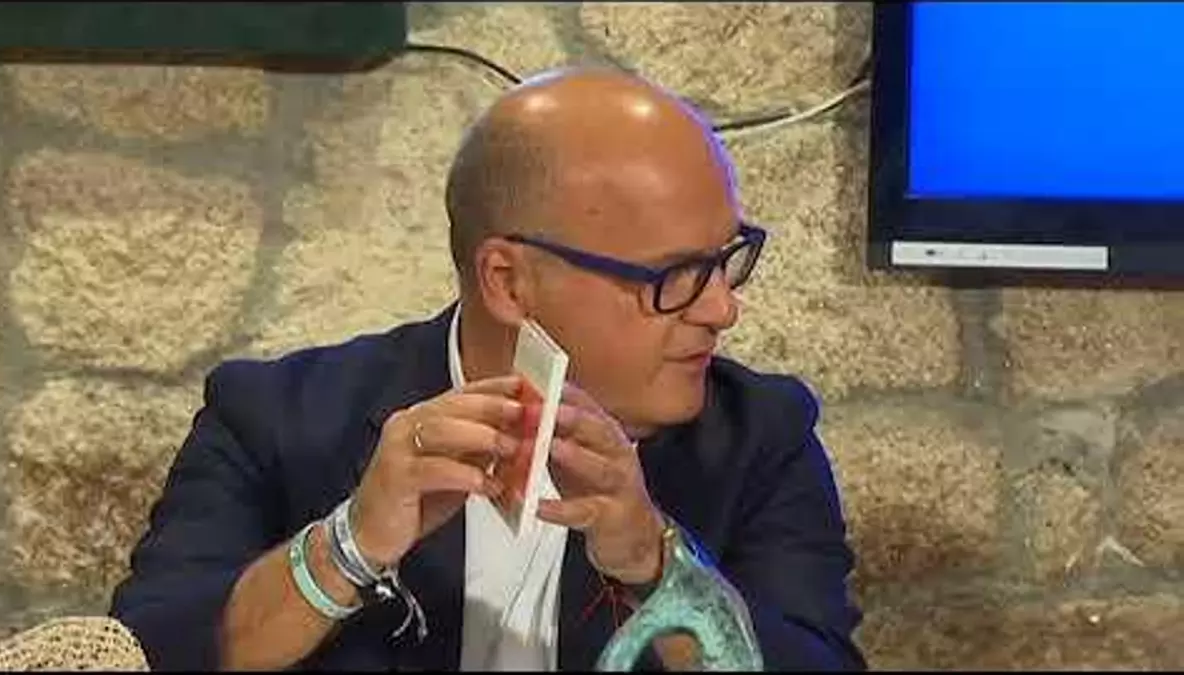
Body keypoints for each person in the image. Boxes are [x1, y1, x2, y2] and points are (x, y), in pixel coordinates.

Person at [109, 66, 865, 671]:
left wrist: (655, 563)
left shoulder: (762, 438)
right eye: (677, 275)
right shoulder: (275, 418)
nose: (723, 308)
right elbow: (143, 653)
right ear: (508, 281)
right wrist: (348, 546)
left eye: (727, 259)